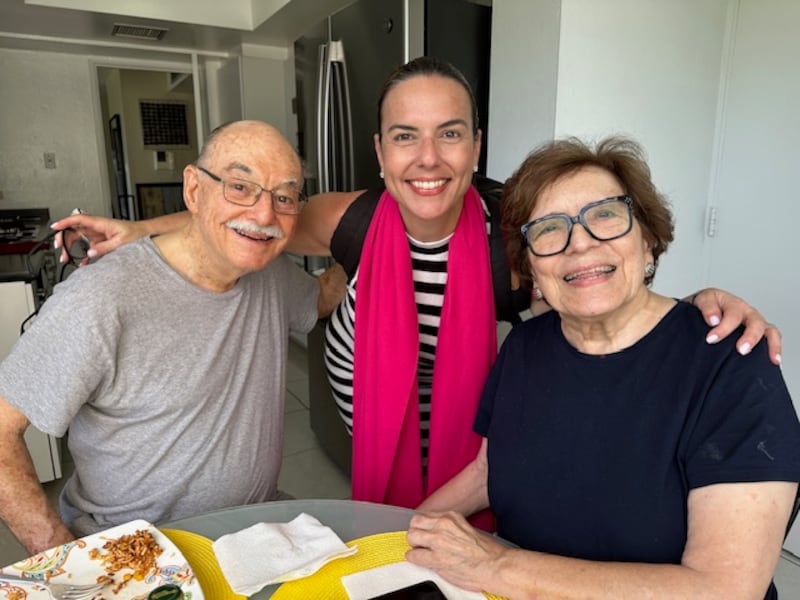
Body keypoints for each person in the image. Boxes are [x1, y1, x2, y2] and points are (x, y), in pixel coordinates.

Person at [51, 58, 781, 522]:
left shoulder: (513, 227)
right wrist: (138, 226)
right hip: (373, 446)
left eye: (449, 134)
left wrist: (697, 309)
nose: (427, 159)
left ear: (476, 145)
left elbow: (596, 273)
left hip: (480, 457)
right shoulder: (351, 217)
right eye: (405, 136)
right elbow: (243, 212)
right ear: (379, 150)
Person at [404, 136, 800, 600]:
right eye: (549, 228)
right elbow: (488, 470)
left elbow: (726, 589)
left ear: (647, 239)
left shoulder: (732, 364)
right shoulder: (525, 347)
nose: (580, 243)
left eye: (606, 214)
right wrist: (400, 538)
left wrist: (497, 567)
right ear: (530, 265)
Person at [0, 120, 346, 555]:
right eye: (240, 186)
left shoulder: (271, 276)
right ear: (194, 190)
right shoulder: (100, 298)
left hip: (253, 530)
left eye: (283, 197)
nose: (263, 215)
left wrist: (374, 241)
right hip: (133, 551)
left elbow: (322, 297)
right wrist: (59, 554)